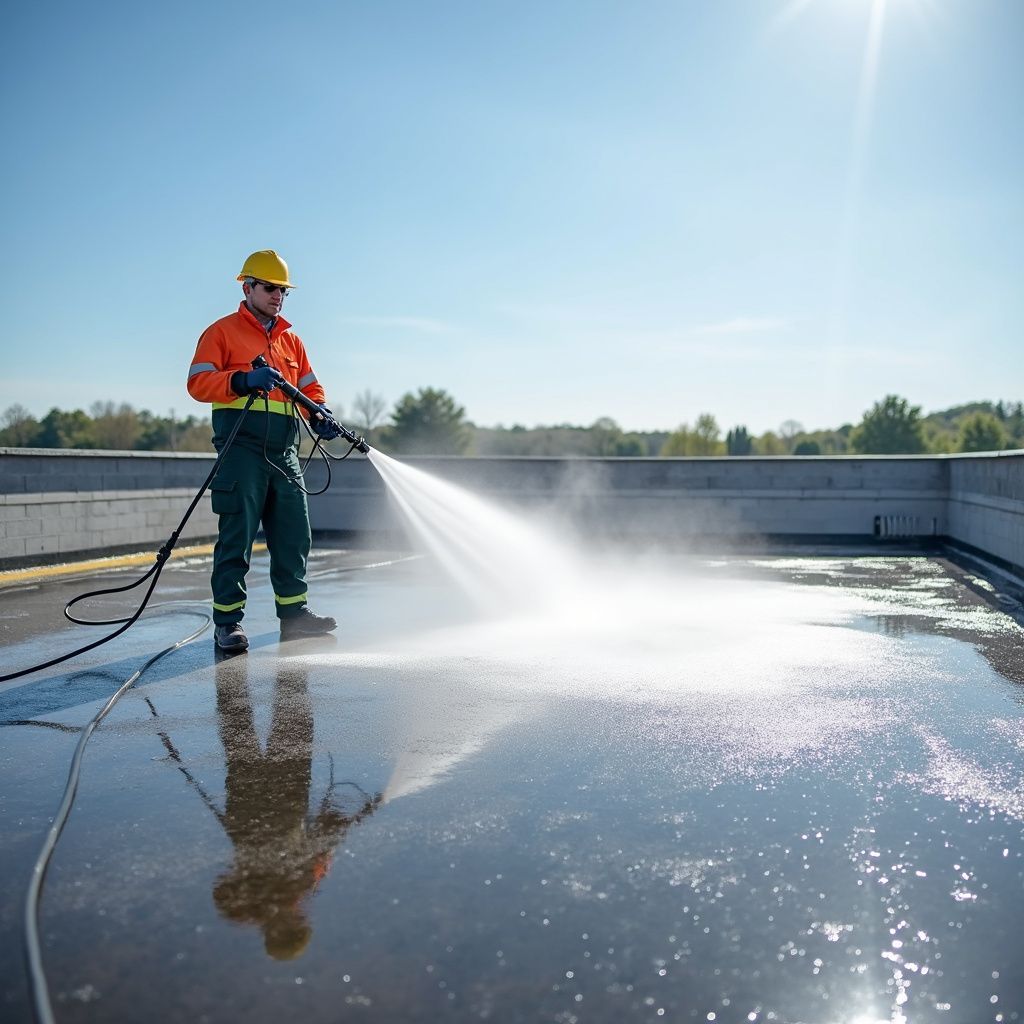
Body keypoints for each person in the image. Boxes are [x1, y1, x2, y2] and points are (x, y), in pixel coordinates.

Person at [187, 249, 341, 651]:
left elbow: (310, 388)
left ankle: (294, 614)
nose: (278, 296)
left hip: (285, 449)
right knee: (236, 532)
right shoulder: (221, 332)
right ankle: (228, 623)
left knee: (294, 533)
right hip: (242, 448)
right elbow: (198, 383)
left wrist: (319, 414)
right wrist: (241, 380)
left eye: (283, 290)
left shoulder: (292, 340)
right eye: (270, 288)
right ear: (248, 286)